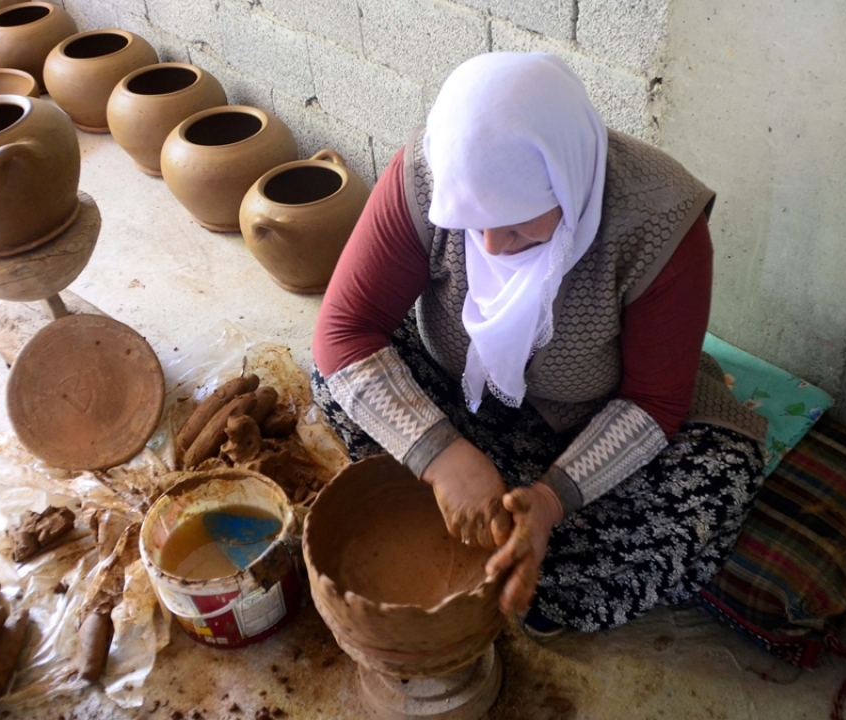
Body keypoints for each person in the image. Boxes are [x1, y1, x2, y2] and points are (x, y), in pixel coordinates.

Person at [311, 52, 767, 636]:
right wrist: (441, 454)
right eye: (474, 224)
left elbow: (655, 403)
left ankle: (502, 543)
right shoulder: (430, 171)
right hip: (459, 396)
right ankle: (476, 518)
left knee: (718, 481)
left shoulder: (659, 223)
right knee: (336, 377)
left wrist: (551, 503)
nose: (494, 247)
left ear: (569, 182)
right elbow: (346, 329)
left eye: (520, 224)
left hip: (586, 424)